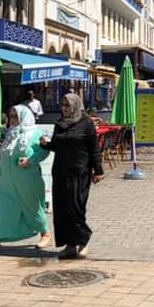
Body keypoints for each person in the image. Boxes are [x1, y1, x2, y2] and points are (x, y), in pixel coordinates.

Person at [0, 105, 52, 256]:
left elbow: (44, 151)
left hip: (28, 179)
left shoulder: (36, 134)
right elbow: (3, 158)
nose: (12, 120)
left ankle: (45, 233)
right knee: (2, 210)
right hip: (7, 180)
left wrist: (31, 160)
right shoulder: (10, 135)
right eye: (11, 116)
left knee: (32, 208)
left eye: (15, 117)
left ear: (24, 117)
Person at [47, 93, 103, 259]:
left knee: (76, 209)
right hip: (60, 172)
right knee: (62, 210)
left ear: (75, 105)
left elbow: (94, 149)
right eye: (63, 105)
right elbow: (56, 146)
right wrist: (45, 145)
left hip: (79, 173)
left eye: (68, 105)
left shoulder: (86, 124)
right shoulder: (59, 124)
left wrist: (98, 171)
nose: (65, 109)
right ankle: (70, 245)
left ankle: (83, 240)